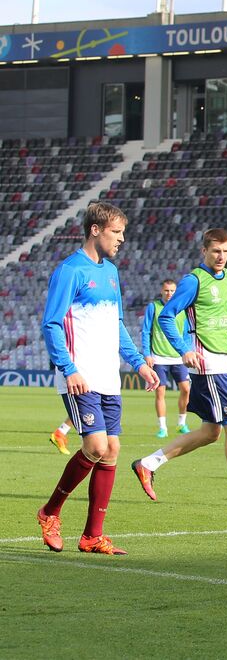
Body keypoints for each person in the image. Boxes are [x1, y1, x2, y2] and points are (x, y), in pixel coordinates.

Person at [37, 202, 160, 555]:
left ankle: (92, 536)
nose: (122, 239)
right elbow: (52, 323)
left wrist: (137, 363)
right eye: (116, 232)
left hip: (108, 375)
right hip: (80, 375)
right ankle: (49, 512)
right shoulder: (70, 271)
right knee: (95, 446)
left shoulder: (111, 272)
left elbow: (116, 323)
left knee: (112, 451)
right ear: (95, 230)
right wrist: (68, 368)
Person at [131, 228, 227, 509]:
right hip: (207, 363)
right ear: (204, 252)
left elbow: (220, 317)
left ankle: (148, 464)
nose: (221, 256)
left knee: (212, 432)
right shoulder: (193, 281)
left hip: (222, 359)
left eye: (225, 251)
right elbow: (167, 317)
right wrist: (184, 349)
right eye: (215, 251)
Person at [143, 277, 191, 438]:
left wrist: (187, 351)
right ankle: (162, 427)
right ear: (161, 291)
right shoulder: (154, 307)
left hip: (178, 357)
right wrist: (147, 353)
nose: (169, 293)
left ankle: (181, 423)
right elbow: (146, 331)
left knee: (186, 389)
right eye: (166, 290)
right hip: (159, 357)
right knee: (160, 393)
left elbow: (186, 334)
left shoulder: (182, 309)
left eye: (172, 291)